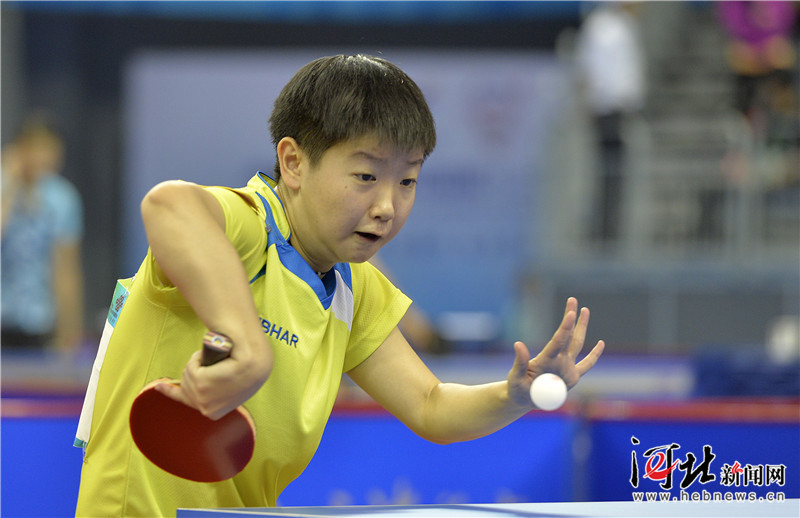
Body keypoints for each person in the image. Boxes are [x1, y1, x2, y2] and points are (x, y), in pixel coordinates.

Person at [74, 55, 605, 517]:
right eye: (366, 176)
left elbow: (431, 406)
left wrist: (516, 394)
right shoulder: (248, 227)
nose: (387, 207)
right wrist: (246, 345)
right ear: (293, 162)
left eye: (408, 180)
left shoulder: (355, 289)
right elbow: (169, 204)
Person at [1, 112, 84, 352]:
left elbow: (66, 271)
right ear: (18, 149)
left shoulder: (63, 199)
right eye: (35, 148)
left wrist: (70, 333)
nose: (42, 157)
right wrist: (8, 185)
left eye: (50, 149)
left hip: (39, 326)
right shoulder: (3, 187)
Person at [574, 2, 646, 243]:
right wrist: (597, 103)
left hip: (619, 108)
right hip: (608, 109)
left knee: (616, 174)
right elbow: (595, 70)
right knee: (608, 172)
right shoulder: (603, 26)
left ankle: (611, 228)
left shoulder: (623, 25)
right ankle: (602, 230)